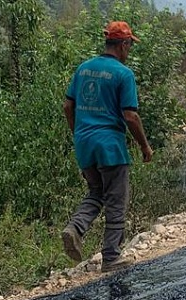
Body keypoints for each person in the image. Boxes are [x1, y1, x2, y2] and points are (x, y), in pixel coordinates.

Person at [62, 21, 153, 273]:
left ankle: (75, 228)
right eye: (129, 45)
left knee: (96, 192)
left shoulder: (83, 69)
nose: (129, 51)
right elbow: (131, 116)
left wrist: (79, 133)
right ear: (123, 44)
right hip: (110, 147)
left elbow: (67, 107)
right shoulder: (123, 74)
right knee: (116, 200)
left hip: (84, 145)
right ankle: (111, 257)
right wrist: (145, 146)